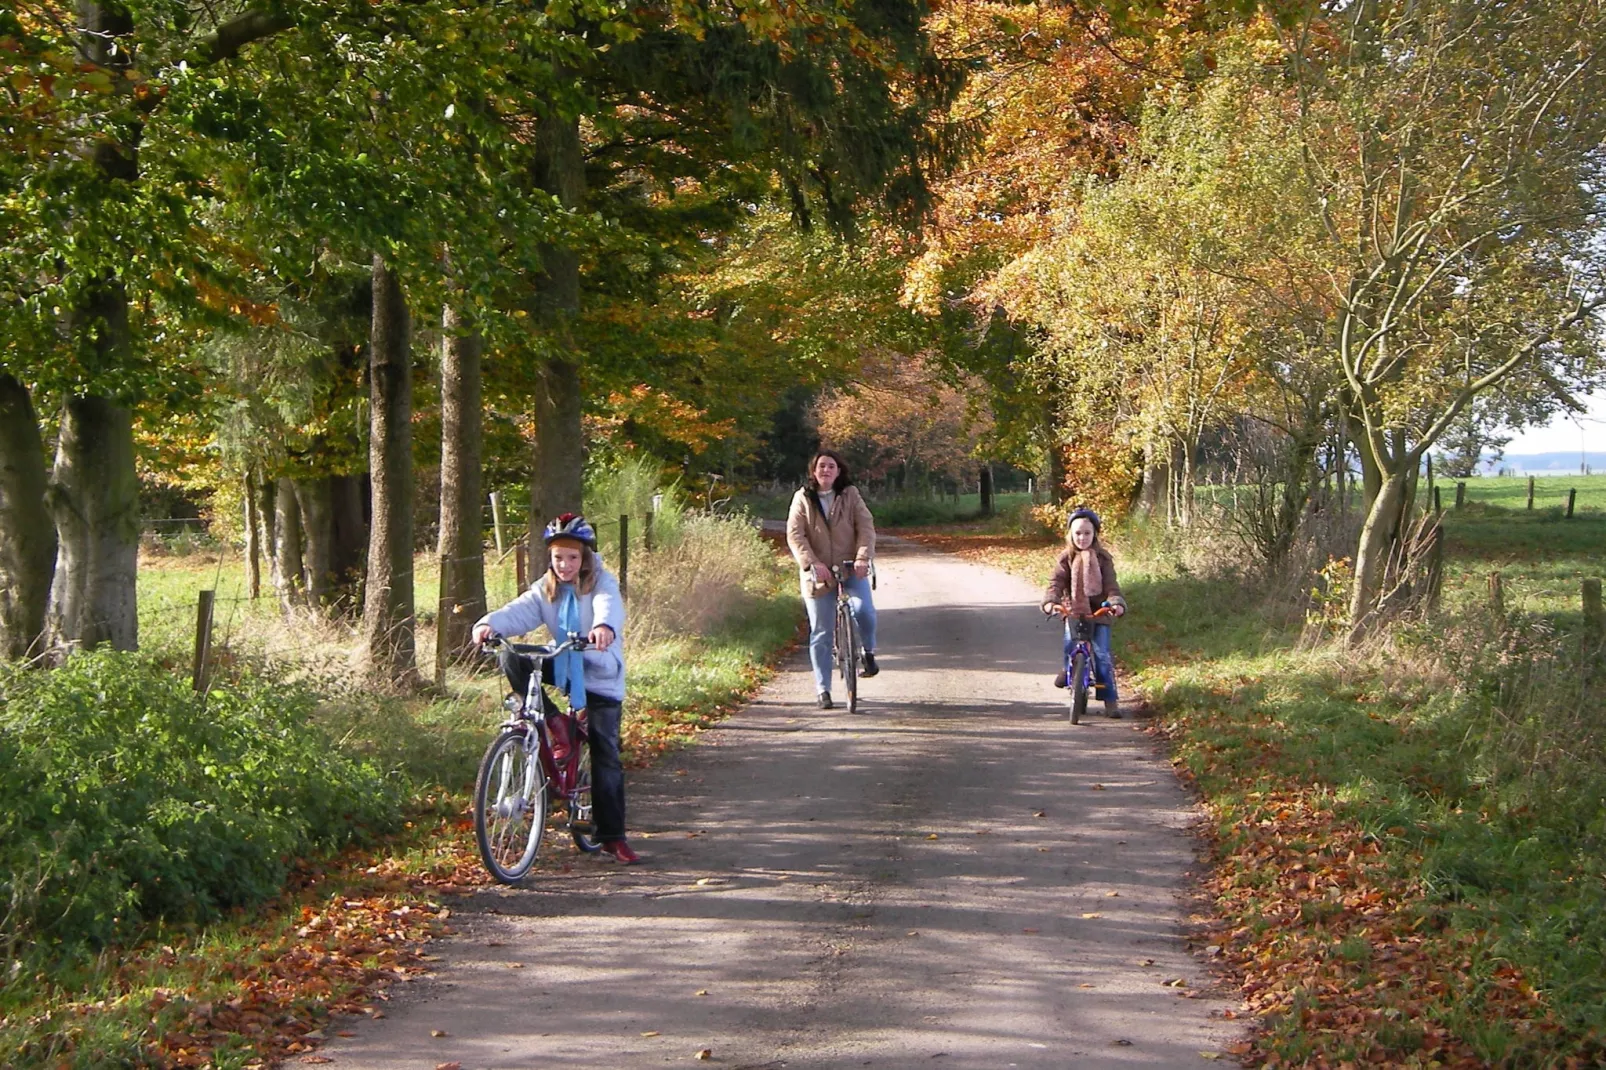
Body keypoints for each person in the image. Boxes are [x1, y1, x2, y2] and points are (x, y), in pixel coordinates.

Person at [472, 513, 640, 864]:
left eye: (573, 557)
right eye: (558, 557)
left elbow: (607, 607)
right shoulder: (544, 589)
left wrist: (603, 628)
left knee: (605, 751)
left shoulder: (602, 584)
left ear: (586, 558)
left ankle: (612, 836)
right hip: (563, 665)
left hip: (598, 672)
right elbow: (517, 612)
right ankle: (554, 723)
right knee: (511, 658)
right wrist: (489, 624)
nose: (565, 565)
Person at [785, 449, 878, 710]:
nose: (826, 470)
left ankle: (868, 652)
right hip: (818, 574)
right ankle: (823, 690)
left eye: (831, 466)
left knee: (864, 611)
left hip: (851, 568)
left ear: (839, 471)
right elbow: (795, 535)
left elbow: (866, 527)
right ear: (814, 471)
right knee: (822, 632)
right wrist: (813, 563)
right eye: (821, 466)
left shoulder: (851, 495)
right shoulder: (802, 498)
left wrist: (862, 558)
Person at [1041, 507, 1127, 718]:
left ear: (1095, 533)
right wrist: (1051, 601)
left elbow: (1111, 585)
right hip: (1073, 612)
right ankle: (1067, 670)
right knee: (1070, 644)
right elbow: (1056, 583)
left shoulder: (1103, 559)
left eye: (1087, 533)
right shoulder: (1066, 558)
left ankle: (1110, 700)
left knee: (1102, 654)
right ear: (1070, 534)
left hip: (1100, 613)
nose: (1082, 538)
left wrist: (1115, 602)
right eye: (1078, 533)